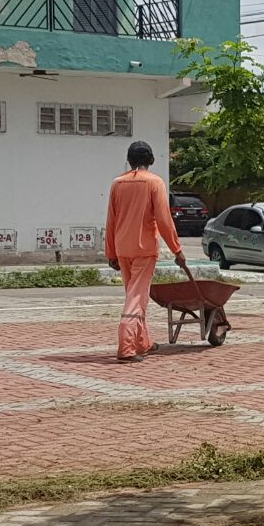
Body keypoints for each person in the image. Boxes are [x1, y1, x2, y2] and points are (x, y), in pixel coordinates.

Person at [106, 141, 188, 363]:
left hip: (123, 248)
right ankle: (126, 346)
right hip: (144, 249)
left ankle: (143, 342)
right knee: (136, 298)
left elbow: (111, 221)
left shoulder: (117, 184)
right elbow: (164, 220)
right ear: (151, 160)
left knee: (135, 295)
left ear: (129, 160)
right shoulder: (155, 183)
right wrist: (177, 250)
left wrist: (111, 253)